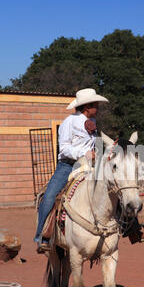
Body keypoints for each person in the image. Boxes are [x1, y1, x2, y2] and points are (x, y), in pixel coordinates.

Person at [34, 88, 109, 252]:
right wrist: (84, 153)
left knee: (112, 188)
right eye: (96, 105)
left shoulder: (93, 123)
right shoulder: (69, 122)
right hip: (68, 165)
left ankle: (121, 228)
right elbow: (65, 148)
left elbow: (93, 146)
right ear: (87, 106)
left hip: (89, 166)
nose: (98, 107)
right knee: (50, 195)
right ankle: (42, 236)